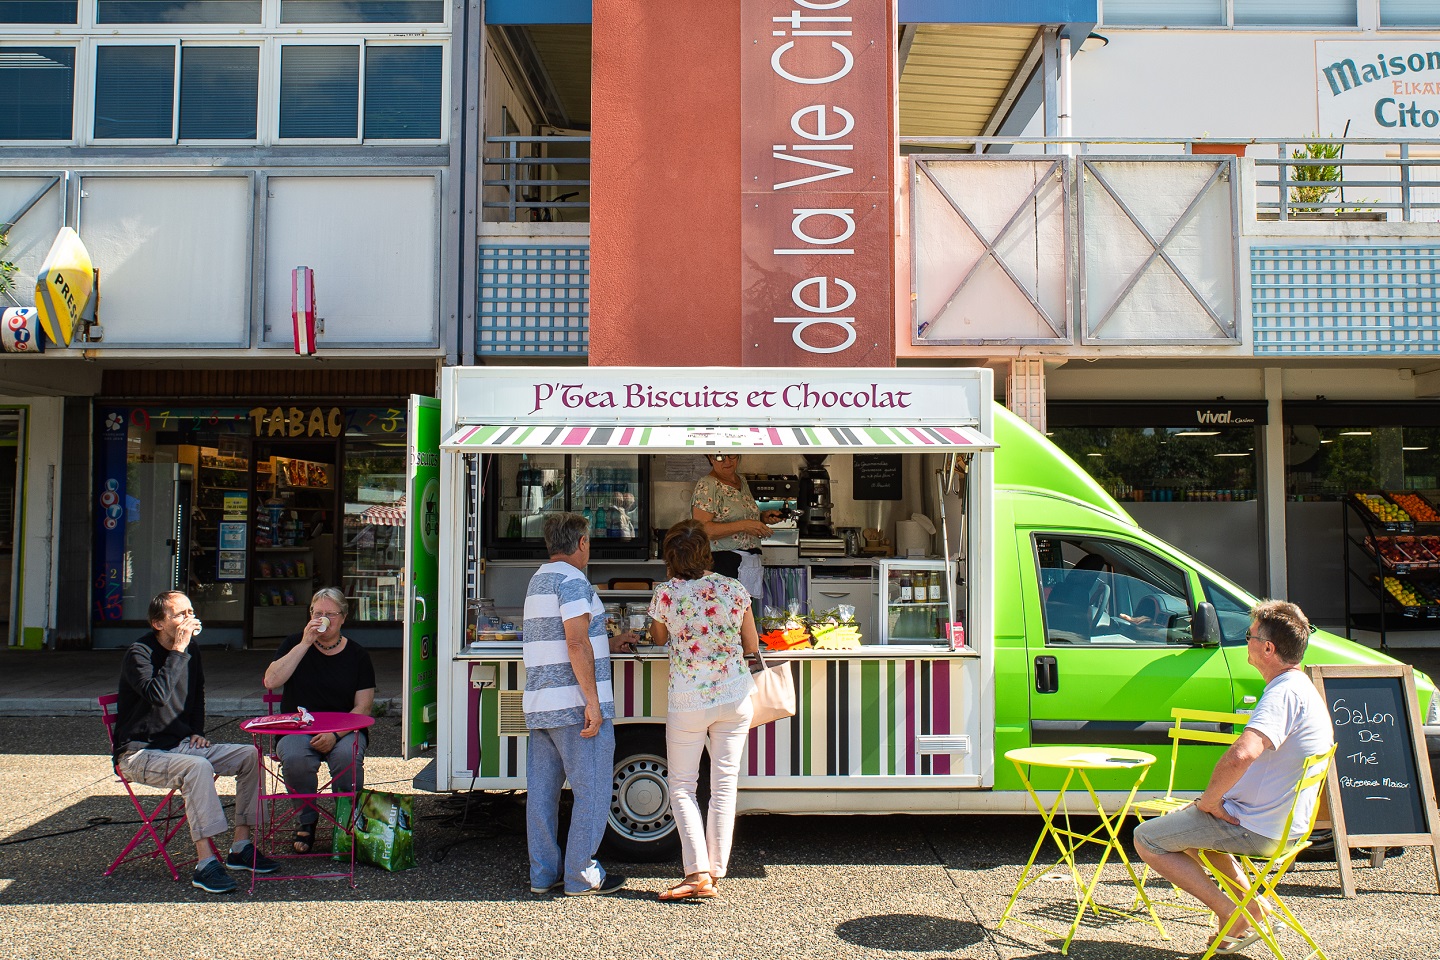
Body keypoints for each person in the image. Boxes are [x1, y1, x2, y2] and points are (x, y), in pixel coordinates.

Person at [1133, 599, 1334, 954]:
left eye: (1249, 636)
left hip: (1259, 827)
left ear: (1267, 648)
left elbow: (1243, 753)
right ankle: (1251, 905)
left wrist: (1209, 801)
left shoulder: (1282, 693)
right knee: (1192, 823)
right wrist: (1211, 805)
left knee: (1147, 838)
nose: (1246, 642)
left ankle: (1231, 913)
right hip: (1285, 823)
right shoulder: (1302, 687)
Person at [113, 590, 278, 894]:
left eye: (190, 612)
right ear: (158, 623)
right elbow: (158, 696)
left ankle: (241, 845)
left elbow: (196, 693)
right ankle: (205, 863)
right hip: (140, 753)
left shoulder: (192, 650)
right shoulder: (139, 654)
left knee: (248, 754)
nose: (189, 619)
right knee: (197, 767)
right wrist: (178, 650)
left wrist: (196, 730)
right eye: (180, 614)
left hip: (180, 745)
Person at [522, 512, 638, 896]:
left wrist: (609, 642)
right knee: (593, 791)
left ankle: (542, 875)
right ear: (582, 543)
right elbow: (574, 642)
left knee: (542, 794)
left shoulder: (539, 578)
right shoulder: (574, 581)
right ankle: (580, 874)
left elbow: (569, 637)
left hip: (540, 703)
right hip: (575, 705)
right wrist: (592, 702)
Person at [647, 519, 760, 901]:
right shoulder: (733, 588)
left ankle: (697, 873)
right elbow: (751, 644)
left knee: (682, 786)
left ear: (670, 558)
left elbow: (659, 637)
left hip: (690, 699)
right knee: (724, 783)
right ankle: (716, 869)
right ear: (707, 553)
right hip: (734, 695)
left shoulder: (665, 593)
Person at [262, 587, 375, 854]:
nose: (322, 618)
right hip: (299, 727)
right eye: (317, 613)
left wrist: (335, 735)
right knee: (294, 757)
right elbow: (271, 681)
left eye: (330, 614)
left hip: (344, 730)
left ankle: (346, 820)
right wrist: (304, 644)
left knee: (347, 757)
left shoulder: (358, 655)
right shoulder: (294, 643)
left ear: (343, 617)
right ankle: (307, 819)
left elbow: (363, 708)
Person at [691, 453, 780, 604]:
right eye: (719, 457)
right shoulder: (708, 484)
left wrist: (761, 518)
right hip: (722, 563)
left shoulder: (741, 481)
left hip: (748, 562)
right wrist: (744, 525)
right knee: (726, 618)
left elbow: (737, 516)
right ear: (710, 458)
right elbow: (703, 529)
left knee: (744, 617)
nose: (727, 461)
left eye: (731, 455)